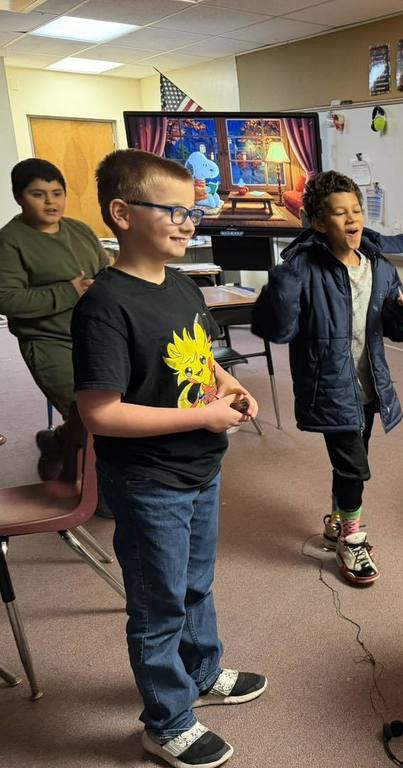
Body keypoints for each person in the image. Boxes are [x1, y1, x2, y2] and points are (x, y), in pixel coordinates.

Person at [72, 149, 267, 768]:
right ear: (122, 214)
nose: (190, 222)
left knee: (194, 584)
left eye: (195, 210)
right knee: (157, 605)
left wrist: (227, 385)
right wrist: (202, 416)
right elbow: (100, 414)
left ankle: (202, 672)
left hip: (199, 466)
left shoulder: (183, 284)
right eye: (175, 210)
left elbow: (196, 356)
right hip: (148, 480)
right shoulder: (105, 304)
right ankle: (167, 720)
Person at [252, 171, 403, 586]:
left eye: (357, 211)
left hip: (368, 383)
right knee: (354, 467)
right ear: (317, 223)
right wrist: (283, 285)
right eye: (339, 213)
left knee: (351, 459)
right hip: (328, 383)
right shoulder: (302, 269)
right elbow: (278, 330)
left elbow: (398, 329)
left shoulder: (378, 265)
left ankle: (336, 520)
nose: (352, 220)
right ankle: (352, 537)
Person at [0, 158, 108, 479]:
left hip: (97, 333)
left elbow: (105, 271)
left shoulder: (80, 229)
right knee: (88, 411)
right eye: (38, 194)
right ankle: (90, 481)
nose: (51, 202)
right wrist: (69, 291)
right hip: (48, 341)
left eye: (56, 193)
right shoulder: (9, 241)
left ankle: (59, 441)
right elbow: (6, 299)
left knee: (115, 403)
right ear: (19, 198)